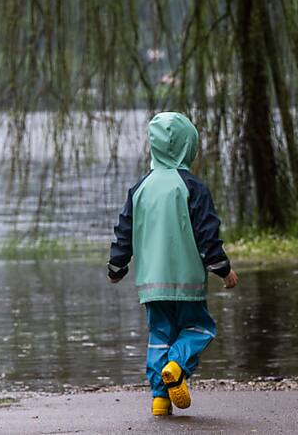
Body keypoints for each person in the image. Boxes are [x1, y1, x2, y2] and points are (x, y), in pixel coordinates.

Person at [108, 111, 239, 416]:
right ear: (188, 147)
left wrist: (117, 267)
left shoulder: (140, 188)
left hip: (151, 283)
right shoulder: (192, 187)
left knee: (159, 335)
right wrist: (223, 268)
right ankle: (177, 365)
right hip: (187, 280)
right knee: (200, 328)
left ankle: (160, 399)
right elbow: (207, 235)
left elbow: (124, 231)